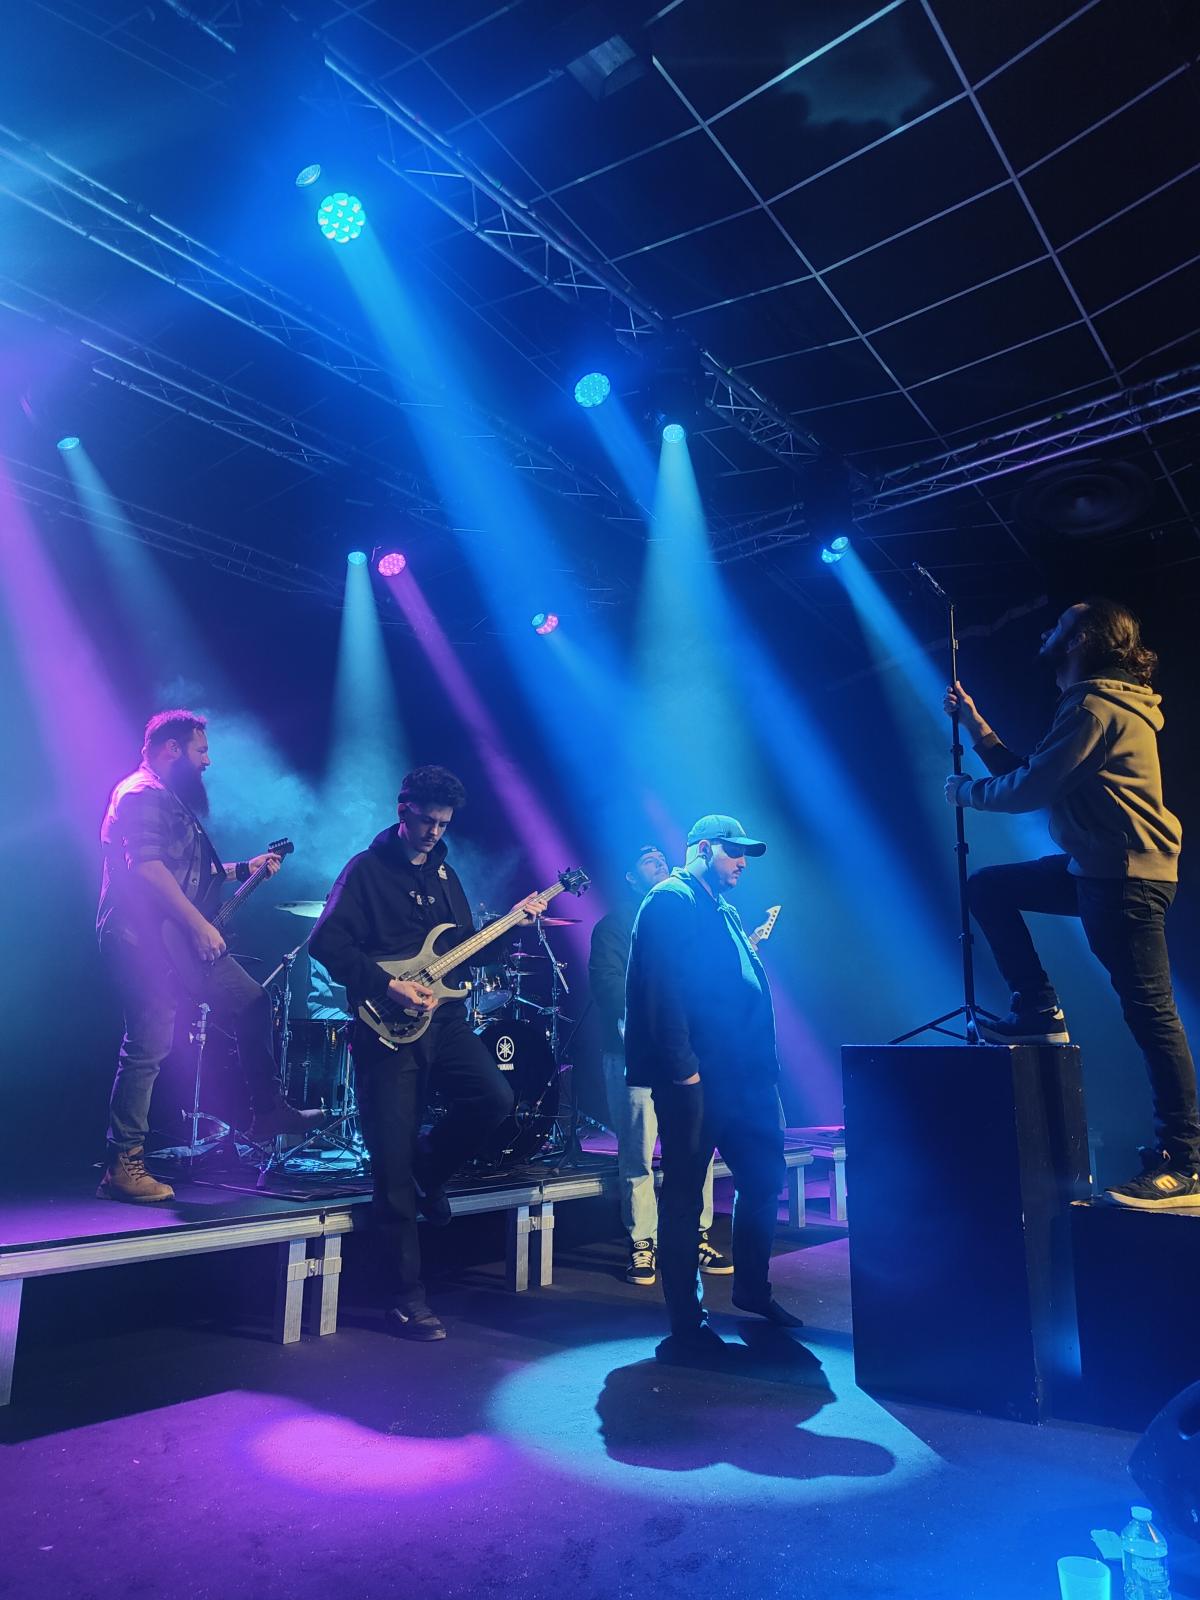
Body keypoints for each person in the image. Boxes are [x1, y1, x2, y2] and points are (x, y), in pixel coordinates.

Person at [944, 598, 1200, 1210]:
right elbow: (1039, 772)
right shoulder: (1095, 704)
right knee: (990, 886)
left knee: (1152, 1014)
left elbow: (1031, 787)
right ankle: (1037, 1007)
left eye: (1060, 624)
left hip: (1124, 877)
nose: (1047, 630)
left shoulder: (1094, 706)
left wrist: (967, 793)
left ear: (1082, 639)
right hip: (1099, 869)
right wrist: (978, 727)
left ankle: (1186, 1159)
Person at [309, 765, 549, 1341]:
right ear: (403, 810)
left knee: (494, 1099)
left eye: (443, 824)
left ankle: (429, 1169)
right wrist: (387, 985)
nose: (434, 832)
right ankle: (404, 1299)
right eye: (426, 821)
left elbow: (463, 952)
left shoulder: (445, 872)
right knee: (390, 1161)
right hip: (385, 1024)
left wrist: (513, 928)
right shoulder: (366, 871)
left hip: (442, 1019)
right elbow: (325, 943)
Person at [96, 710, 323, 1203]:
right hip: (141, 940)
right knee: (149, 1043)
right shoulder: (141, 793)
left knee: (252, 1001)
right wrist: (199, 925)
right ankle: (122, 1165)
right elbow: (148, 867)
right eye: (201, 750)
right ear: (172, 748)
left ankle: (267, 1110)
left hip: (175, 935)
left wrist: (245, 867)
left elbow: (189, 872)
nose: (208, 761)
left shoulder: (168, 797)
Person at [624, 814, 801, 1361]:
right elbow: (662, 991)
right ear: (703, 847)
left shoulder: (720, 907)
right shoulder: (670, 900)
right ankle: (686, 1319)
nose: (743, 862)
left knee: (765, 1178)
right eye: (734, 851)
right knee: (683, 1195)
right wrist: (685, 1071)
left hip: (745, 1079)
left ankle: (751, 1289)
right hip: (699, 1079)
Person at [589, 844, 731, 1285]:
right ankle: (642, 1242)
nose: (661, 864)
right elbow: (608, 986)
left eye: (661, 859)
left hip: (684, 1054)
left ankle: (695, 1235)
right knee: (638, 1154)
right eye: (648, 861)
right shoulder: (614, 925)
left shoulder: (686, 916)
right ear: (631, 878)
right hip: (631, 1054)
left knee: (695, 1148)